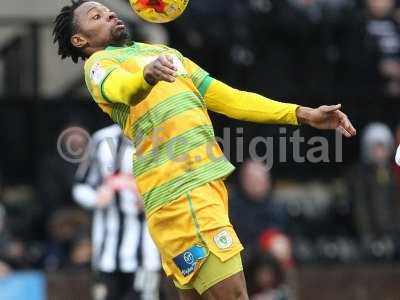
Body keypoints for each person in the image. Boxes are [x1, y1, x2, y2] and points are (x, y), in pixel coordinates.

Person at [53, 1, 356, 299]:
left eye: (107, 10)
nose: (108, 14)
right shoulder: (99, 65)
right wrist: (146, 76)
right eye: (96, 16)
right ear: (80, 40)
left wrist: (302, 113)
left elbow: (230, 98)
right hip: (182, 191)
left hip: (200, 187)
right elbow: (121, 87)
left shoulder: (164, 54)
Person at [72, 125, 160, 300]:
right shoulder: (102, 138)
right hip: (107, 251)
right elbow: (80, 186)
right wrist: (96, 198)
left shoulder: (163, 138)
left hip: (146, 253)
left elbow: (180, 187)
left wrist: (155, 201)